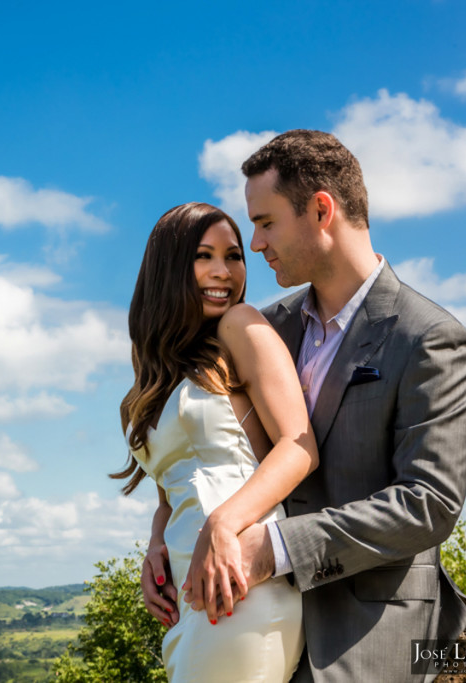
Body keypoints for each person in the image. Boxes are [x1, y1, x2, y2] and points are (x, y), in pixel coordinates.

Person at [141, 130, 466, 682]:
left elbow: (429, 503)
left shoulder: (429, 338)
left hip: (363, 634)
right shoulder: (258, 328)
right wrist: (162, 539)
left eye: (265, 222)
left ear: (321, 210)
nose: (254, 244)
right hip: (241, 615)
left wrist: (271, 548)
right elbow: (207, 447)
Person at [116, 202, 318, 682]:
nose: (223, 272)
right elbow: (174, 490)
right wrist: (155, 546)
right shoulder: (156, 374)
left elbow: (299, 444)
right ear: (168, 267)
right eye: (204, 256)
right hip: (189, 592)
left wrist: (223, 525)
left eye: (234, 257)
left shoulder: (240, 327)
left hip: (242, 583)